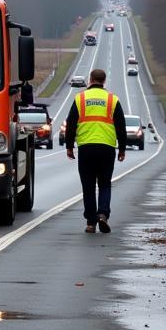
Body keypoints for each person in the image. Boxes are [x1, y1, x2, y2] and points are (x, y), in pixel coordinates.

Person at [64, 67, 127, 233]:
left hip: (86, 148)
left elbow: (71, 124)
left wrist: (69, 146)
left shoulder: (80, 98)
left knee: (88, 186)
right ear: (104, 81)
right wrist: (122, 149)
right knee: (105, 184)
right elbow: (121, 126)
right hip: (107, 149)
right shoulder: (113, 100)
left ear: (90, 80)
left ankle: (91, 223)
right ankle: (103, 215)